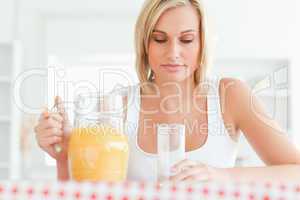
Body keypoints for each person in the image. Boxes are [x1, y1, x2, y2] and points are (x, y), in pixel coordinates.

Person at [34, 0, 300, 182]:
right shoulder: (117, 105)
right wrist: (64, 156)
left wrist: (221, 175)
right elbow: (92, 194)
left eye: (186, 40)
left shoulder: (231, 95)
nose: (173, 53)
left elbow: (296, 173)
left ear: (202, 44)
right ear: (145, 45)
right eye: (159, 39)